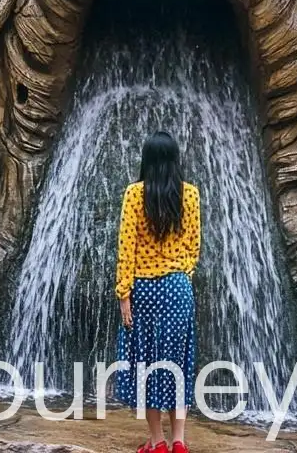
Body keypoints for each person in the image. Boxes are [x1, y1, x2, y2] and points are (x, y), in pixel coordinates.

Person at [114, 129, 201, 453]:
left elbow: (126, 248)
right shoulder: (190, 194)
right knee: (177, 364)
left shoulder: (135, 194)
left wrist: (124, 295)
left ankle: (157, 442)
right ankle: (179, 441)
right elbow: (194, 245)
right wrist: (184, 275)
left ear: (147, 160)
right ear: (175, 159)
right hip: (178, 288)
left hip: (144, 290)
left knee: (147, 366)